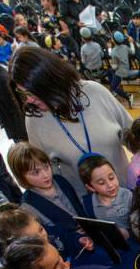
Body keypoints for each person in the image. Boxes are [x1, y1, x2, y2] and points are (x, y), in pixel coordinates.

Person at [9, 46, 133, 193]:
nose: (29, 100)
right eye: (23, 94)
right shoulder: (35, 119)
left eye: (33, 93)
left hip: (124, 190)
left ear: (50, 82)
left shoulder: (95, 92)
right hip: (85, 203)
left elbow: (133, 138)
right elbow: (45, 171)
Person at [7, 142, 94, 257]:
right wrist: (77, 239)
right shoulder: (28, 207)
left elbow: (78, 205)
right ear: (21, 177)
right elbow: (48, 238)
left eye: (46, 167)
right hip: (73, 252)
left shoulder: (60, 180)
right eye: (36, 172)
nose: (45, 175)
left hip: (92, 235)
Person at [78, 154, 133, 238]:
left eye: (111, 178)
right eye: (101, 183)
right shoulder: (87, 203)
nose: (110, 185)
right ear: (90, 187)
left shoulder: (130, 196)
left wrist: (126, 233)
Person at [108, 31, 138, 107]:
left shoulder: (114, 51)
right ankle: (114, 91)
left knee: (114, 87)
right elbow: (133, 52)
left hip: (120, 73)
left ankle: (128, 96)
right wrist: (131, 42)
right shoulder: (125, 47)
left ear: (113, 40)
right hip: (126, 69)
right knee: (109, 72)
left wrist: (109, 49)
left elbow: (115, 67)